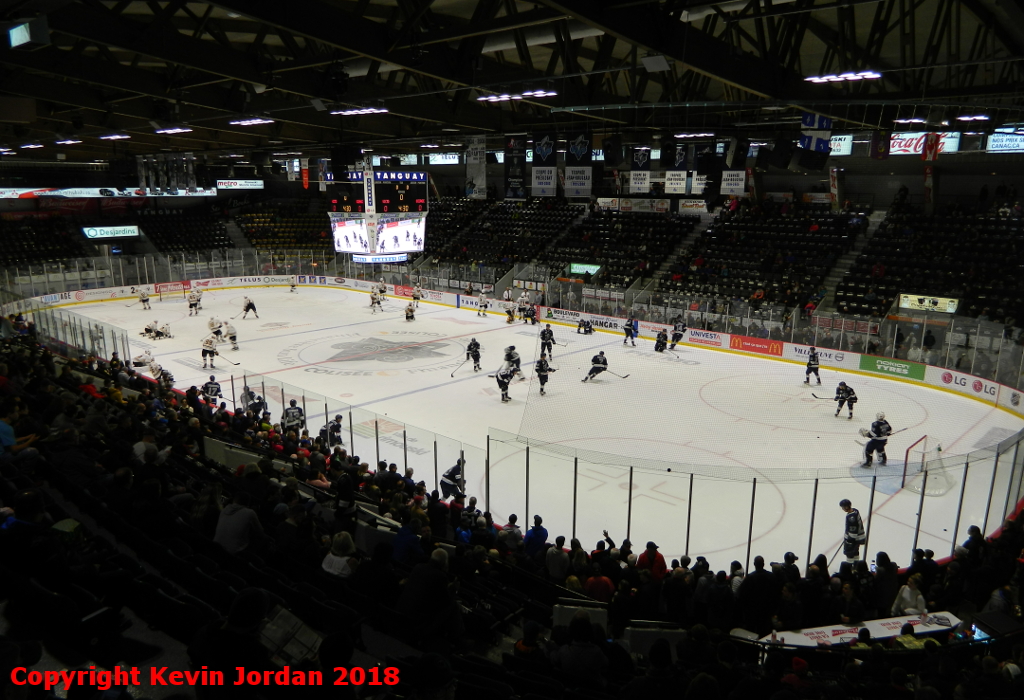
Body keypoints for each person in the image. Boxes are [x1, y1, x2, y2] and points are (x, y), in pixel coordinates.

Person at [840, 498, 866, 563]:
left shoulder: (851, 518)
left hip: (854, 539)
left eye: (843, 507)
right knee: (855, 552)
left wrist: (849, 541)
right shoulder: (855, 511)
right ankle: (856, 566)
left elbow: (853, 530)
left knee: (850, 553)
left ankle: (850, 567)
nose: (842, 509)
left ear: (846, 507)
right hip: (859, 537)